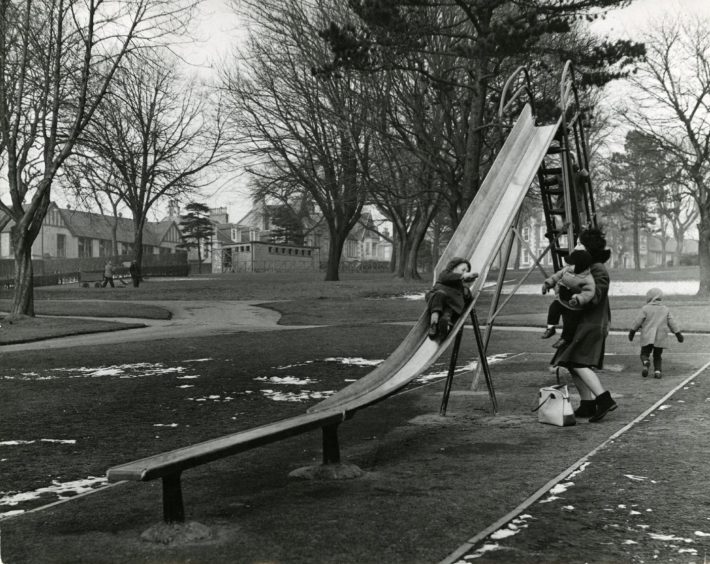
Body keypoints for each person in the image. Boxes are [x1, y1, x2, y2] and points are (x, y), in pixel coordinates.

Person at [551, 227, 617, 422]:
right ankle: (587, 404)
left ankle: (604, 399)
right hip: (584, 323)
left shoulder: (597, 269)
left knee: (578, 362)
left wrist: (574, 294)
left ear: (588, 248)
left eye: (580, 244)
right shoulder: (584, 267)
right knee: (571, 363)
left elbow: (595, 295)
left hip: (593, 324)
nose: (576, 246)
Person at [541, 249, 596, 349]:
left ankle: (565, 339)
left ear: (580, 265)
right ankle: (550, 328)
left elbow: (588, 293)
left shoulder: (588, 278)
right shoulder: (567, 269)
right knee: (553, 309)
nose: (570, 265)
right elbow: (556, 276)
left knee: (570, 323)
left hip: (574, 305)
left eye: (572, 263)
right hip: (561, 299)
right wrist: (547, 284)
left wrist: (578, 299)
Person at [628, 288, 684, 379]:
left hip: (647, 336)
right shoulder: (665, 309)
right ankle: (657, 372)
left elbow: (637, 322)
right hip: (660, 337)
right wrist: (678, 334)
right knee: (657, 356)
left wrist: (632, 332)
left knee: (644, 353)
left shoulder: (645, 308)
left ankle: (646, 362)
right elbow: (672, 322)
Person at [426, 257, 479, 341]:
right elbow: (446, 277)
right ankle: (434, 321)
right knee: (440, 294)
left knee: (449, 312)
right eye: (463, 270)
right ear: (453, 268)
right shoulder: (445, 274)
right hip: (437, 298)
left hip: (450, 304)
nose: (465, 272)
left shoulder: (461, 285)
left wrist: (467, 289)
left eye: (467, 271)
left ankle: (445, 326)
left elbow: (467, 297)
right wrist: (463, 276)